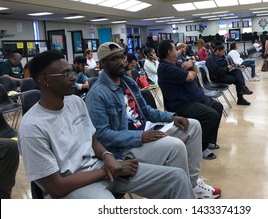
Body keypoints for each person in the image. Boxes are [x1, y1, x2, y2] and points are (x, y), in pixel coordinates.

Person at [18, 50, 195, 199]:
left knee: (177, 177)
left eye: (72, 71)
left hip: (101, 168)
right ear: (44, 80)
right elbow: (55, 187)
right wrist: (107, 170)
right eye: (66, 74)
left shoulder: (75, 102)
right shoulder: (32, 127)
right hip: (73, 186)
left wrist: (107, 156)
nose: (74, 78)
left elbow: (93, 140)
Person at [85, 42, 221, 199]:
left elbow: (146, 111)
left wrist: (171, 117)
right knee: (175, 146)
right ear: (102, 64)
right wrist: (140, 137)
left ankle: (192, 184)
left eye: (122, 57)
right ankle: (179, 192)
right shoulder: (97, 94)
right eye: (114, 59)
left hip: (145, 131)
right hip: (124, 147)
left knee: (193, 126)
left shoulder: (126, 82)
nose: (122, 62)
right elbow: (101, 135)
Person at [157, 40, 223, 160]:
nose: (177, 52)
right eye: (174, 49)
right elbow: (191, 76)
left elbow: (194, 72)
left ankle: (208, 141)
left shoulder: (175, 64)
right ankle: (201, 148)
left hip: (195, 98)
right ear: (169, 52)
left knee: (218, 107)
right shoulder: (165, 68)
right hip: (182, 104)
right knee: (211, 115)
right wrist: (192, 69)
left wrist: (192, 65)